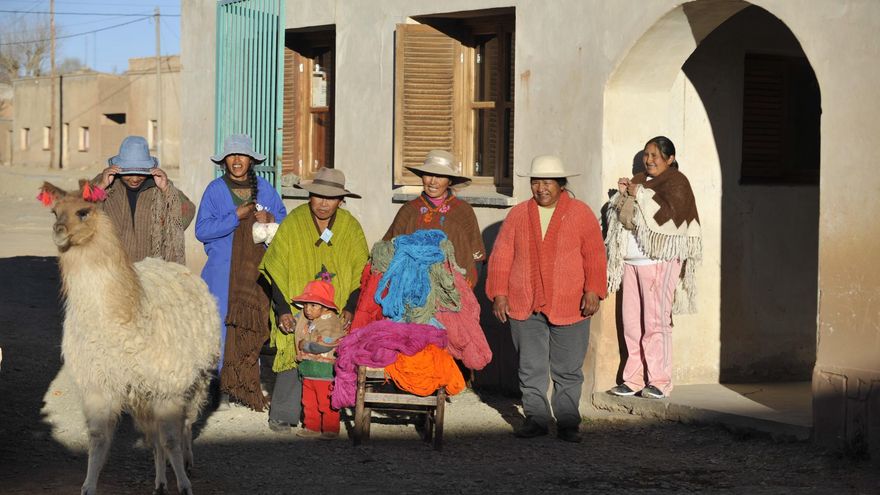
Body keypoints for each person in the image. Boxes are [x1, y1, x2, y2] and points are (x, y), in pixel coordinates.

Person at [486, 155, 607, 443]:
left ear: (561, 185)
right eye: (536, 182)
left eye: (548, 182)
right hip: (524, 302)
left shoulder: (580, 213)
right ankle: (537, 419)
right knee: (531, 366)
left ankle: (567, 423)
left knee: (568, 368)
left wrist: (593, 289)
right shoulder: (518, 215)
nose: (541, 188)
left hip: (570, 301)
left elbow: (594, 253)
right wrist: (499, 293)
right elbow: (502, 255)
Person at [259, 167, 368, 432]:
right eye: (318, 195)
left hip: (334, 310)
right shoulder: (294, 223)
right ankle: (284, 413)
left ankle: (326, 413)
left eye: (330, 198)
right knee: (291, 347)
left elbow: (360, 271)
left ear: (341, 200)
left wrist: (351, 307)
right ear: (310, 196)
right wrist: (283, 309)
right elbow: (274, 268)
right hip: (297, 307)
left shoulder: (350, 227)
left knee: (329, 354)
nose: (323, 202)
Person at [195, 134, 287, 411]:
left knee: (251, 324)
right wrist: (235, 216)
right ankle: (221, 386)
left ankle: (246, 383)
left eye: (242, 156)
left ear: (251, 160)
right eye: (232, 156)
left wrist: (270, 219)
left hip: (253, 271)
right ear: (224, 160)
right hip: (221, 273)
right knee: (222, 327)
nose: (237, 161)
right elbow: (202, 230)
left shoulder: (266, 190)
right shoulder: (214, 190)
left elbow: (283, 221)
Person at [605, 136, 701, 400]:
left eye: (654, 155)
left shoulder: (677, 182)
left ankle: (660, 380)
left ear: (669, 159)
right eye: (646, 155)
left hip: (660, 261)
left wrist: (641, 195)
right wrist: (622, 195)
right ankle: (633, 378)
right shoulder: (639, 180)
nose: (648, 160)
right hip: (631, 262)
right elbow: (624, 218)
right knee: (632, 323)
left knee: (656, 322)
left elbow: (670, 217)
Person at [383, 150, 485, 287]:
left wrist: (466, 287)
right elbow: (388, 249)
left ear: (449, 181)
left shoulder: (463, 211)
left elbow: (475, 256)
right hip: (411, 289)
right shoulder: (408, 211)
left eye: (440, 176)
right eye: (428, 175)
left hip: (454, 289)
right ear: (422, 177)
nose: (432, 181)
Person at [93, 135, 195, 264]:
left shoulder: (158, 185)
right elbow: (80, 212)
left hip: (151, 269)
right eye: (128, 173)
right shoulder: (104, 183)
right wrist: (101, 186)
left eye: (141, 173)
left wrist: (166, 190)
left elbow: (187, 211)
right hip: (112, 267)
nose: (135, 179)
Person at [291, 280, 345, 439]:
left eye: (313, 305)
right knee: (308, 402)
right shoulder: (310, 321)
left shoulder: (330, 321)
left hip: (324, 373)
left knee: (326, 402)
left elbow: (324, 345)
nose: (308, 309)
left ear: (326, 307)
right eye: (306, 305)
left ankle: (330, 428)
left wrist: (304, 345)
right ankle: (311, 426)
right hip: (309, 371)